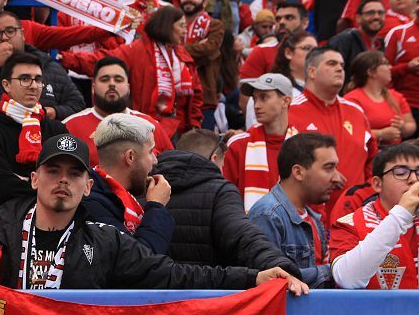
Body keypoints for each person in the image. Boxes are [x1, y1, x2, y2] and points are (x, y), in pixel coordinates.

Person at [0, 133, 309, 292]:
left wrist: (253, 277)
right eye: (53, 170)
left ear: (87, 186)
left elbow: (176, 275)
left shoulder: (105, 240)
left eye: (74, 174)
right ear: (33, 179)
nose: (63, 181)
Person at [153, 128, 301, 275]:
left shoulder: (148, 187)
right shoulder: (220, 192)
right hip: (210, 294)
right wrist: (280, 266)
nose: (223, 170)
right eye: (223, 164)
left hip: (152, 295)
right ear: (214, 158)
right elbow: (243, 237)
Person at [62, 6, 203, 140]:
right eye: (181, 26)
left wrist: (194, 123)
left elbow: (196, 92)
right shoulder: (137, 50)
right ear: (167, 26)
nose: (185, 31)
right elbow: (100, 61)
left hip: (181, 129)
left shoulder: (182, 54)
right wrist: (66, 59)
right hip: (147, 128)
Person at [0, 53, 68, 210]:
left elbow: (67, 178)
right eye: (24, 79)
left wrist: (24, 180)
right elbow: (0, 186)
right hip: (6, 219)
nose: (33, 85)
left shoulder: (57, 129)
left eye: (38, 79)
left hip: (55, 215)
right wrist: (48, 186)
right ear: (6, 85)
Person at [0, 11, 86, 131]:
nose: (4, 37)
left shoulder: (48, 66)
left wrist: (55, 112)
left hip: (39, 151)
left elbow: (78, 104)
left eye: (10, 31)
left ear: (22, 34)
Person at [288, 47, 378, 221]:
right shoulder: (290, 111)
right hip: (306, 219)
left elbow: (372, 160)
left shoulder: (356, 111)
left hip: (355, 220)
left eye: (342, 65)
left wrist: (365, 195)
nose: (340, 69)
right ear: (312, 71)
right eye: (332, 63)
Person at [248, 133, 341, 288]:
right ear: (298, 172)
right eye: (328, 168)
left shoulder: (313, 219)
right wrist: (335, 270)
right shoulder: (267, 215)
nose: (337, 178)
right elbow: (270, 281)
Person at [330, 144, 419, 288]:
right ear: (377, 184)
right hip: (374, 310)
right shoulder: (350, 224)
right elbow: (346, 279)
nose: (414, 179)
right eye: (401, 172)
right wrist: (402, 212)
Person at [84, 113, 174, 254]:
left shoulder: (108, 194)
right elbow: (140, 261)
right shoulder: (91, 203)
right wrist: (157, 206)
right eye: (150, 152)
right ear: (130, 157)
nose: (155, 160)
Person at [62, 57, 173, 165]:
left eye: (118, 80)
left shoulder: (151, 126)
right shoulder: (70, 126)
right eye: (104, 80)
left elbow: (173, 168)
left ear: (128, 87)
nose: (112, 84)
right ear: (93, 88)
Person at [224, 74, 295, 210]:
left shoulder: (304, 146)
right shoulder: (237, 145)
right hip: (247, 228)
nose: (256, 105)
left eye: (264, 97)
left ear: (285, 101)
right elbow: (226, 199)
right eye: (255, 98)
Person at [345, 51, 416, 145]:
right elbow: (350, 131)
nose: (390, 67)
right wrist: (380, 134)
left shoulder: (395, 96)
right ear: (371, 72)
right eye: (385, 64)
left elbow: (411, 124)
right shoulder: (352, 99)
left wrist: (403, 127)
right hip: (368, 152)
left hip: (393, 153)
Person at [180, 0, 224, 130]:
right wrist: (196, 47)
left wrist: (177, 49)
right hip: (177, 98)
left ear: (204, 2)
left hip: (204, 96)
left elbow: (208, 50)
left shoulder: (214, 25)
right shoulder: (171, 24)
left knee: (204, 146)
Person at [239, 1, 309, 81]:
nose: (281, 22)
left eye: (289, 18)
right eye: (278, 19)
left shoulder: (316, 53)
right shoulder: (261, 52)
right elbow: (245, 91)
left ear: (304, 23)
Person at [328, 0, 388, 77]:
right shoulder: (344, 40)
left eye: (380, 13)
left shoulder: (382, 45)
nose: (376, 17)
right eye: (370, 13)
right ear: (358, 18)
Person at [384, 5, 419, 120]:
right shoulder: (399, 33)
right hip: (407, 106)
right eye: (418, 2)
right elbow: (383, 72)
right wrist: (407, 67)